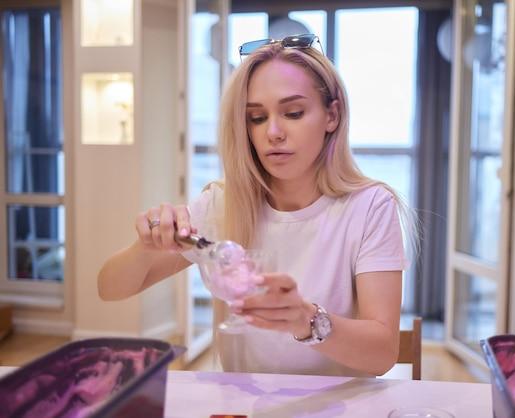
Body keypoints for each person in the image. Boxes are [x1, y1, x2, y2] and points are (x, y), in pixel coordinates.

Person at [98, 34, 417, 377]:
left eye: (293, 112)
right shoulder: (222, 205)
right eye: (256, 118)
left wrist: (305, 318)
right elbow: (110, 288)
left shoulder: (369, 208)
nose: (274, 132)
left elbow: (383, 353)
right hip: (244, 405)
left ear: (332, 116)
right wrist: (146, 245)